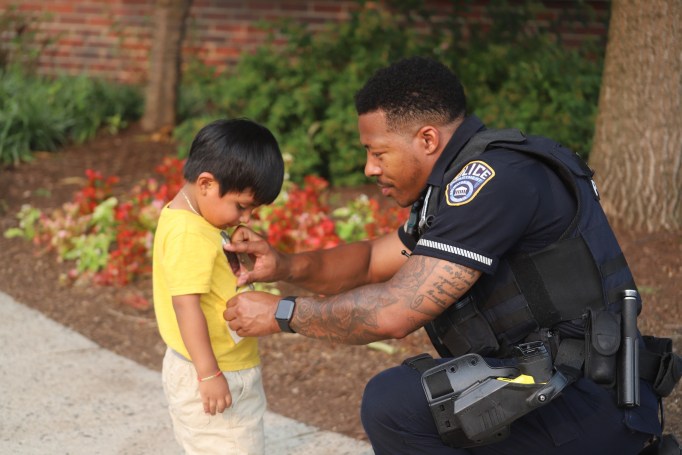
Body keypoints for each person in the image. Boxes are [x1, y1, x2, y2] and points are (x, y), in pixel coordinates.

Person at [222, 57, 671, 454]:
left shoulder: (496, 180)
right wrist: (283, 266)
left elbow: (395, 312)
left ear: (429, 138)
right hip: (549, 385)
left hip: (586, 401)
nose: (369, 168)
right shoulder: (459, 189)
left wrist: (283, 314)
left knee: (396, 404)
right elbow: (368, 263)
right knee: (422, 400)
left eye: (378, 152)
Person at [152, 118, 284, 455]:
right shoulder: (189, 234)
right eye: (242, 206)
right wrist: (209, 374)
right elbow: (186, 304)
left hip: (221, 364)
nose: (247, 217)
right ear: (206, 184)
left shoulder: (198, 219)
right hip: (214, 369)